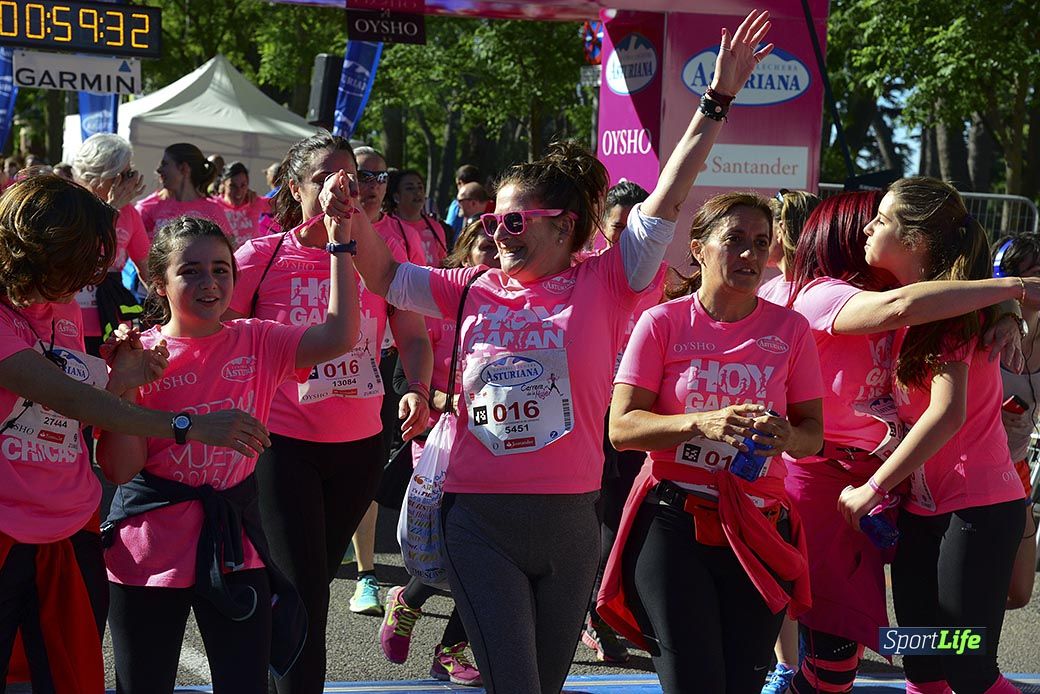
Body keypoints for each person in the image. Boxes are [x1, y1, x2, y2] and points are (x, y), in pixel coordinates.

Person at [322, 11, 774, 692]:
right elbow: (385, 276)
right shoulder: (471, 286)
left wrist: (716, 101)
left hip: (570, 524)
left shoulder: (609, 280)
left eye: (513, 221)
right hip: (478, 517)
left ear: (563, 226)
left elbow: (672, 191)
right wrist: (348, 217)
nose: (497, 233)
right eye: (490, 221)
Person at [0, 175, 268, 693]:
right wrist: (187, 427)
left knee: (69, 681)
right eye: (82, 259)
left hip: (69, 530)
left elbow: (70, 417)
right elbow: (69, 398)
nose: (96, 273)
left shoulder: (60, 306)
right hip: (6, 531)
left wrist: (123, 377)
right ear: (40, 250)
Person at [773, 190, 1034, 694]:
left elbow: (946, 414)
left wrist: (873, 486)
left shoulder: (944, 313)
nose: (870, 228)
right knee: (921, 661)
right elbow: (905, 304)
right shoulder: (912, 308)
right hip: (923, 512)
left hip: (976, 510)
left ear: (914, 239)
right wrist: (1006, 295)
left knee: (967, 666)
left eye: (883, 220)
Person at [98, 193, 361, 692]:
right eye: (191, 271)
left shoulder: (259, 339)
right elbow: (119, 470)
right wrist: (125, 384)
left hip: (235, 545)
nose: (209, 282)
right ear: (159, 282)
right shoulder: (138, 352)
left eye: (221, 270)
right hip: (148, 549)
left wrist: (341, 243)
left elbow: (340, 336)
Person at [225, 132, 431, 694]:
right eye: (326, 178)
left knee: (301, 587)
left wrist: (417, 386)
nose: (345, 188)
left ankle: (266, 670)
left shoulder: (386, 259)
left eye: (355, 177)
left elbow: (411, 334)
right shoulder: (261, 258)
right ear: (297, 188)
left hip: (360, 447)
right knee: (308, 592)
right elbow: (220, 340)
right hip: (281, 446)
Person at [599, 190, 825, 693]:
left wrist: (788, 434)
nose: (750, 254)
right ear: (700, 248)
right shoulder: (663, 322)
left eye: (761, 243)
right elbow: (622, 428)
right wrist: (702, 422)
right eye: (736, 240)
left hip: (759, 526)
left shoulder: (791, 329)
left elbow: (813, 436)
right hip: (673, 522)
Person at [378, 221, 497, 687]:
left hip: (500, 443)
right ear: (462, 255)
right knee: (445, 550)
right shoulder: (436, 302)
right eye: (482, 249)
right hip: (441, 444)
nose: (491, 258)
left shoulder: (517, 303)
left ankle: (449, 651)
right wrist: (444, 401)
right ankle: (409, 598)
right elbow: (408, 375)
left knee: (486, 555)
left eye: (499, 250)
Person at [581, 179, 663, 665]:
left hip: (635, 416)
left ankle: (610, 606)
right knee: (590, 517)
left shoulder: (663, 277)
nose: (628, 238)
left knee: (624, 515)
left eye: (637, 228)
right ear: (601, 226)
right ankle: (594, 612)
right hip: (588, 412)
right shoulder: (586, 271)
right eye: (618, 227)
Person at [992, 233, 1040, 610]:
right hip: (971, 470)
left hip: (1016, 467)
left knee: (1019, 592)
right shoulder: (984, 329)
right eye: (1036, 274)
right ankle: (958, 658)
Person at [71, 133, 150, 354]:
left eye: (131, 173)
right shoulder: (71, 206)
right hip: (69, 318)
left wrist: (166, 305)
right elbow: (75, 250)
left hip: (113, 319)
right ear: (100, 175)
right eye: (124, 174)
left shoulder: (129, 213)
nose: (130, 181)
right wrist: (111, 210)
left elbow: (146, 267)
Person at [136, 142, 232, 240]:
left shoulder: (212, 210)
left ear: (184, 168)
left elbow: (230, 248)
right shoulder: (148, 207)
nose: (159, 170)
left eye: (164, 164)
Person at [757, 189, 820, 308]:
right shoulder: (766, 290)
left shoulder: (822, 292)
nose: (758, 237)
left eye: (764, 228)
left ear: (782, 230)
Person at [384, 169, 451, 266]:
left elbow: (443, 263)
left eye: (420, 187)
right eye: (410, 188)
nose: (417, 192)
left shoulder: (435, 227)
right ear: (396, 197)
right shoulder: (387, 227)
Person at [215, 161, 271, 249]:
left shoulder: (254, 202)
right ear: (223, 185)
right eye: (232, 186)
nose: (239, 191)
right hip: (228, 260)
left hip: (255, 259)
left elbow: (282, 205)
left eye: (243, 185)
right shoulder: (213, 206)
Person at [445, 164, 482, 235]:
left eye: (458, 184)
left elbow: (449, 229)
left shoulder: (457, 204)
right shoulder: (489, 203)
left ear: (460, 182)